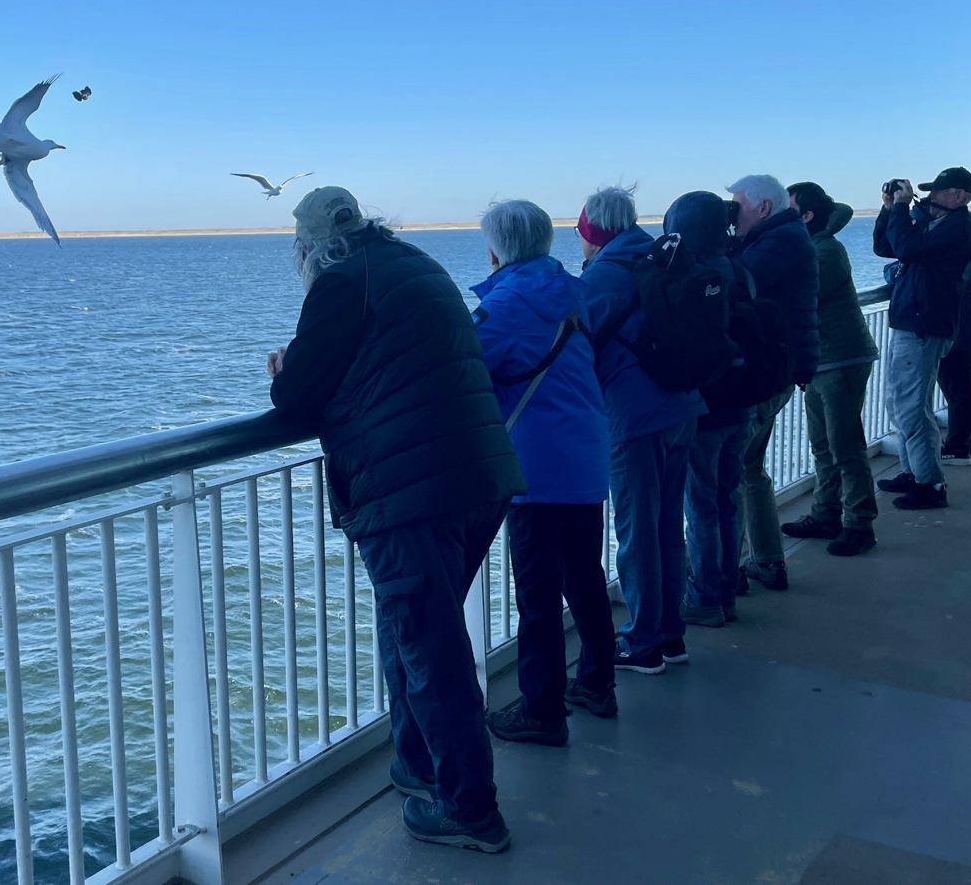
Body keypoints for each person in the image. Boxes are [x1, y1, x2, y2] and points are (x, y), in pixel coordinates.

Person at [268, 186, 524, 853]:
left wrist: (286, 366)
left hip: (410, 491)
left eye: (298, 252)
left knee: (429, 648)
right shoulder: (415, 262)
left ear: (312, 248)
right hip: (478, 475)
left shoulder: (338, 283)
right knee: (409, 626)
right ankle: (416, 764)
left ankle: (472, 810)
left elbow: (296, 397)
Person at [469, 200, 616, 745]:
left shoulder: (505, 305)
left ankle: (542, 710)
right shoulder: (569, 291)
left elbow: (457, 368)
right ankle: (598, 684)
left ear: (494, 249)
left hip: (536, 465)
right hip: (585, 452)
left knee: (537, 591)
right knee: (584, 575)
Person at [576, 185, 705, 673]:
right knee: (669, 525)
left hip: (634, 417)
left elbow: (576, 345)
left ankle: (643, 641)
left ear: (594, 232)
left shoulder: (604, 276)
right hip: (682, 405)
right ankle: (671, 634)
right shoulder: (662, 257)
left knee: (636, 531)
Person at [663, 191, 752, 628]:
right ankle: (728, 589)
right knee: (726, 499)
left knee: (700, 506)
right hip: (742, 403)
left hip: (705, 407)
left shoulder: (689, 274)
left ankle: (704, 598)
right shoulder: (738, 268)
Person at [727, 175, 820, 591]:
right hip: (778, 368)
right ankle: (765, 559)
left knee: (729, 469)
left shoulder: (781, 242)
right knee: (749, 467)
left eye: (738, 205)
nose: (734, 213)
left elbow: (737, 284)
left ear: (763, 208)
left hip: (768, 371)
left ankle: (724, 572)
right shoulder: (786, 235)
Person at [779, 182, 880, 556]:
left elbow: (802, 297)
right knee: (823, 445)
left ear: (806, 216)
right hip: (821, 362)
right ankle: (826, 514)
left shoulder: (826, 251)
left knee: (845, 446)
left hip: (842, 360)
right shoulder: (814, 248)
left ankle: (859, 523)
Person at [873, 167, 971, 510]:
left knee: (912, 408)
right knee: (899, 403)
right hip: (914, 322)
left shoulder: (959, 229)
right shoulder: (938, 224)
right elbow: (884, 246)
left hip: (923, 326)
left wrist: (904, 209)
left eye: (939, 191)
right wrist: (890, 208)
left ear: (959, 196)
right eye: (929, 192)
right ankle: (913, 472)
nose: (931, 196)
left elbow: (907, 249)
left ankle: (930, 484)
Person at [935, 235, 971, 466]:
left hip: (959, 326)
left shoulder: (948, 251)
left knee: (958, 390)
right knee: (968, 388)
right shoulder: (969, 246)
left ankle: (958, 447)